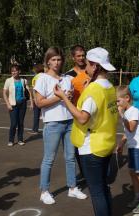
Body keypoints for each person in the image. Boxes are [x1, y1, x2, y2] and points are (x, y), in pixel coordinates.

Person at [54, 47, 118, 216]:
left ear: (95, 66)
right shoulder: (110, 87)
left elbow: (82, 118)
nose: (86, 68)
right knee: (103, 186)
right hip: (106, 144)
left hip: (92, 147)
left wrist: (64, 98)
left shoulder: (93, 90)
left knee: (96, 192)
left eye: (89, 65)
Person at [34, 47, 87, 205]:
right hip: (53, 123)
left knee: (70, 158)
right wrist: (60, 97)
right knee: (49, 159)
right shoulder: (42, 78)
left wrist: (68, 97)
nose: (57, 63)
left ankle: (72, 187)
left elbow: (69, 100)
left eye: (59, 59)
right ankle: (44, 191)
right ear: (48, 61)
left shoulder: (66, 79)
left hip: (70, 121)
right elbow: (39, 102)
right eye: (53, 60)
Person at [116, 86, 139, 214]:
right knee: (132, 172)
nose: (117, 104)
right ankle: (137, 196)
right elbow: (127, 133)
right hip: (132, 147)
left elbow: (130, 127)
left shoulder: (134, 111)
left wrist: (121, 115)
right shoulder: (127, 112)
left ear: (127, 98)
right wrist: (121, 144)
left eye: (118, 101)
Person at [65, 45, 90, 180]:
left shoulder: (91, 71)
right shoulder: (69, 75)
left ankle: (97, 173)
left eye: (83, 55)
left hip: (91, 114)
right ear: (73, 58)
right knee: (77, 146)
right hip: (76, 115)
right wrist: (68, 96)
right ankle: (84, 173)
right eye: (78, 56)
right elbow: (66, 97)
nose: (81, 58)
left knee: (91, 145)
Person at [3, 64, 33, 146]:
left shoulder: (24, 80)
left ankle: (20, 139)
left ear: (19, 71)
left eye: (15, 70)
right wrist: (8, 104)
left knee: (20, 123)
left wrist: (31, 102)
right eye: (12, 71)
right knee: (13, 123)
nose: (14, 72)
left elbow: (28, 92)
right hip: (12, 104)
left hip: (22, 104)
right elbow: (4, 93)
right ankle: (11, 140)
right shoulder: (8, 80)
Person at [29, 64, 44, 135]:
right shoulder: (46, 75)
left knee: (36, 115)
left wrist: (35, 99)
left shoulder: (35, 77)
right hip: (46, 98)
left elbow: (34, 90)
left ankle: (35, 129)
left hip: (38, 98)